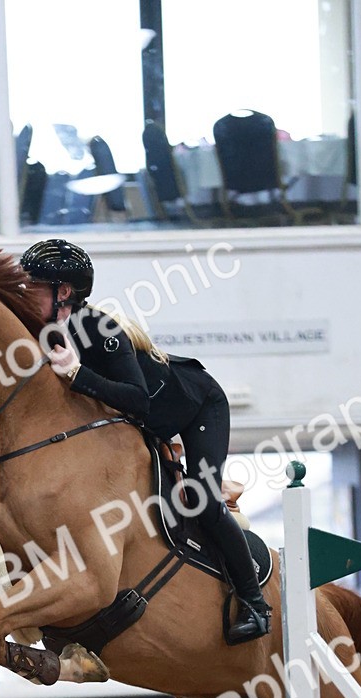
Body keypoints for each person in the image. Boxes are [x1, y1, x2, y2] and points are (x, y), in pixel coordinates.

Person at [19, 238, 271, 644]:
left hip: (197, 407)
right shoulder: (45, 331)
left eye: (34, 284)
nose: (25, 291)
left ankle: (256, 603)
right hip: (144, 422)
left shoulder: (98, 329)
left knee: (203, 498)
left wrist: (77, 374)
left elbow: (136, 400)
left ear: (63, 291)